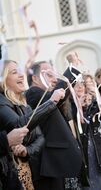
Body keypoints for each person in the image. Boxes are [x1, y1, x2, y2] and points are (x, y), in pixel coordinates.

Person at [0, 60, 64, 190]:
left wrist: (26, 150)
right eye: (14, 72)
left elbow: (40, 138)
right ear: (2, 80)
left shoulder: (25, 105)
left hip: (29, 170)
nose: (21, 75)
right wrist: (51, 102)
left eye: (20, 71)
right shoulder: (1, 103)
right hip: (9, 174)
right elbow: (18, 124)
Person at [26, 61, 82, 190]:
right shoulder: (33, 93)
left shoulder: (48, 94)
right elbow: (54, 98)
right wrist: (71, 69)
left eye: (54, 75)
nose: (55, 79)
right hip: (48, 162)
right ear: (34, 78)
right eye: (49, 74)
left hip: (57, 160)